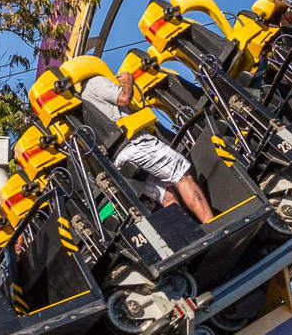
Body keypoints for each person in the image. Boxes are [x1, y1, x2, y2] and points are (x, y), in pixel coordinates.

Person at [80, 73, 215, 224]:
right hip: (136, 144)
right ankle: (211, 224)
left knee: (167, 197)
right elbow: (124, 97)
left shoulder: (81, 105)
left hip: (120, 160)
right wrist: (128, 82)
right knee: (182, 177)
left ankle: (189, 233)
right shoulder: (94, 82)